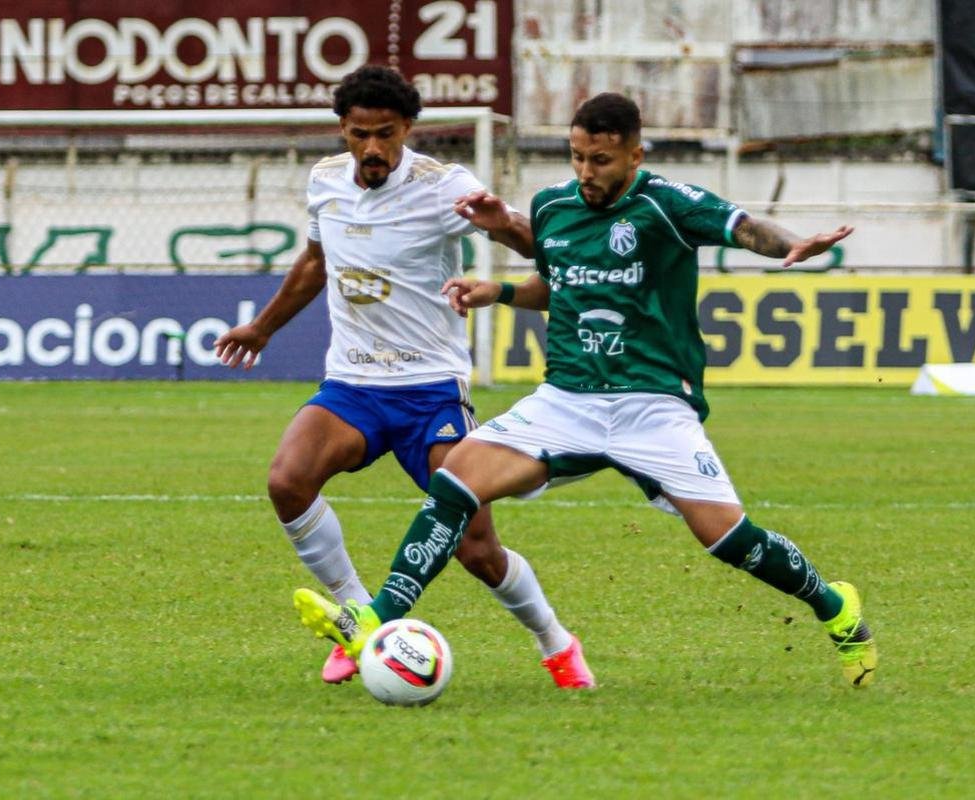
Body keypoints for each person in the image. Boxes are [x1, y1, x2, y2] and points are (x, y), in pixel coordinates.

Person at [296, 91, 879, 689]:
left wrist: (793, 246)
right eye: (577, 157)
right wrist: (496, 292)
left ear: (634, 154)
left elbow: (746, 227)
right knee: (457, 480)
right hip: (567, 400)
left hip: (652, 404)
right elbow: (556, 287)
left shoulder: (668, 204)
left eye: (600, 160)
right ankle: (374, 620)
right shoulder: (552, 207)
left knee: (727, 538)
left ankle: (835, 607)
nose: (585, 173)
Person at [214, 65, 595, 689]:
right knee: (288, 480)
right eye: (359, 134)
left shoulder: (444, 185)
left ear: (407, 130)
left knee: (475, 548)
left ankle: (555, 642)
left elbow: (536, 247)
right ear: (342, 130)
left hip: (430, 391)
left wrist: (501, 221)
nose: (371, 148)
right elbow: (316, 261)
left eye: (384, 134)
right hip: (353, 387)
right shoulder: (325, 182)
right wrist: (263, 328)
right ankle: (360, 616)